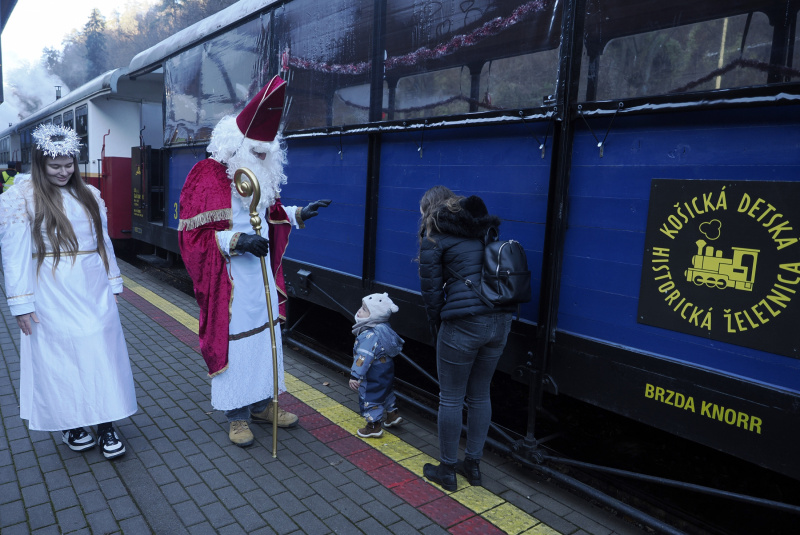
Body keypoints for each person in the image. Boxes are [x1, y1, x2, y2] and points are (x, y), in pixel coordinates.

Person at [178, 75, 331, 448]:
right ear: (238, 146)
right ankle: (237, 415)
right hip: (229, 279)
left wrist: (296, 214)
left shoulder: (257, 177)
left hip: (261, 275)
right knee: (236, 343)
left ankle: (264, 405)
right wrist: (235, 240)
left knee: (266, 341)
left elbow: (268, 213)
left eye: (267, 154)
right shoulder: (209, 175)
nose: (262, 159)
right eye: (256, 152)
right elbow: (190, 236)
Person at [0, 124, 137, 459]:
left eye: (69, 164)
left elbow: (104, 242)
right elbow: (14, 252)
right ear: (39, 163)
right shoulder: (19, 197)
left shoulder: (90, 194)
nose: (63, 172)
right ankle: (70, 422)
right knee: (58, 357)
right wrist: (21, 303)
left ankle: (105, 422)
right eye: (55, 166)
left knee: (100, 351)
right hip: (49, 286)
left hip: (92, 285)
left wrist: (113, 280)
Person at [417, 185, 515, 490]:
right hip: (500, 320)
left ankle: (447, 470)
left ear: (430, 210)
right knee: (480, 394)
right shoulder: (484, 229)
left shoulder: (434, 237)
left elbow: (432, 293)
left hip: (464, 324)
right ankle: (472, 466)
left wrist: (438, 325)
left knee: (451, 397)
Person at [349, 293, 404, 438]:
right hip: (386, 368)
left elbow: (363, 357)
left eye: (365, 310)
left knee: (370, 396)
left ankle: (373, 426)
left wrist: (355, 375)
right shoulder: (384, 328)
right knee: (385, 391)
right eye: (361, 307)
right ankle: (393, 414)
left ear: (375, 316)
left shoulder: (369, 335)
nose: (360, 311)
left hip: (373, 371)